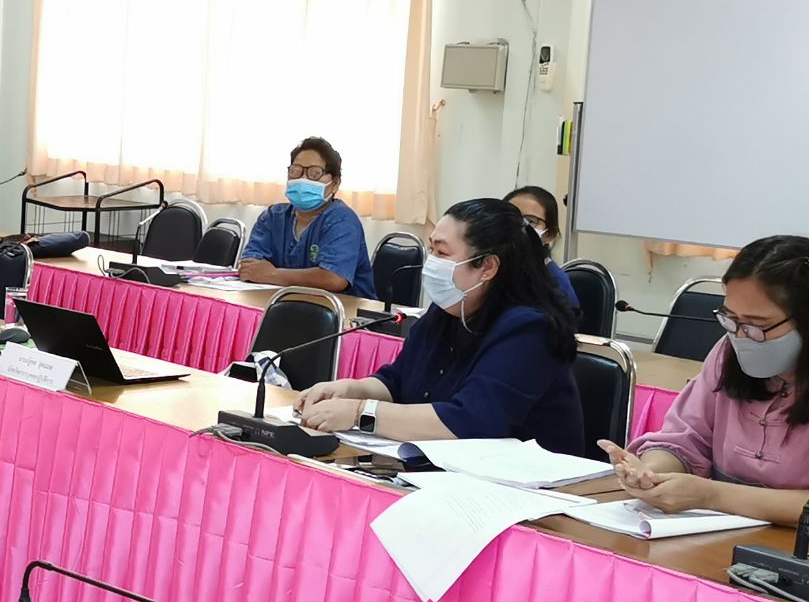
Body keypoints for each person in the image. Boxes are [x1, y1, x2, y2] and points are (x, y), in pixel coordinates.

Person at [605, 235, 809, 536]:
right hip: (721, 539)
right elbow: (686, 440)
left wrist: (710, 495)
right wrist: (650, 473)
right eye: (730, 319)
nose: (741, 337)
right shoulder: (729, 351)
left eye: (758, 326)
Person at [299, 196, 586, 456]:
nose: (430, 262)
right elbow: (398, 382)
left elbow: (470, 421)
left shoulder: (529, 329)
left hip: (534, 490)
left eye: (442, 253)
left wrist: (360, 412)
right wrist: (349, 390)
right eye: (431, 249)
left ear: (487, 267)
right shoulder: (447, 311)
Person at [237, 136, 376, 298]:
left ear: (335, 183)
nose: (302, 179)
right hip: (283, 305)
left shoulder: (341, 221)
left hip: (344, 314)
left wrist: (272, 274)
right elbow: (249, 267)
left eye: (314, 173)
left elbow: (334, 279)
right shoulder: (273, 216)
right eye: (296, 171)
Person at [507, 184, 580, 313]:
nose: (517, 225)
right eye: (510, 217)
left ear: (549, 234)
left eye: (530, 221)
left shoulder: (554, 285)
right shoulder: (493, 269)